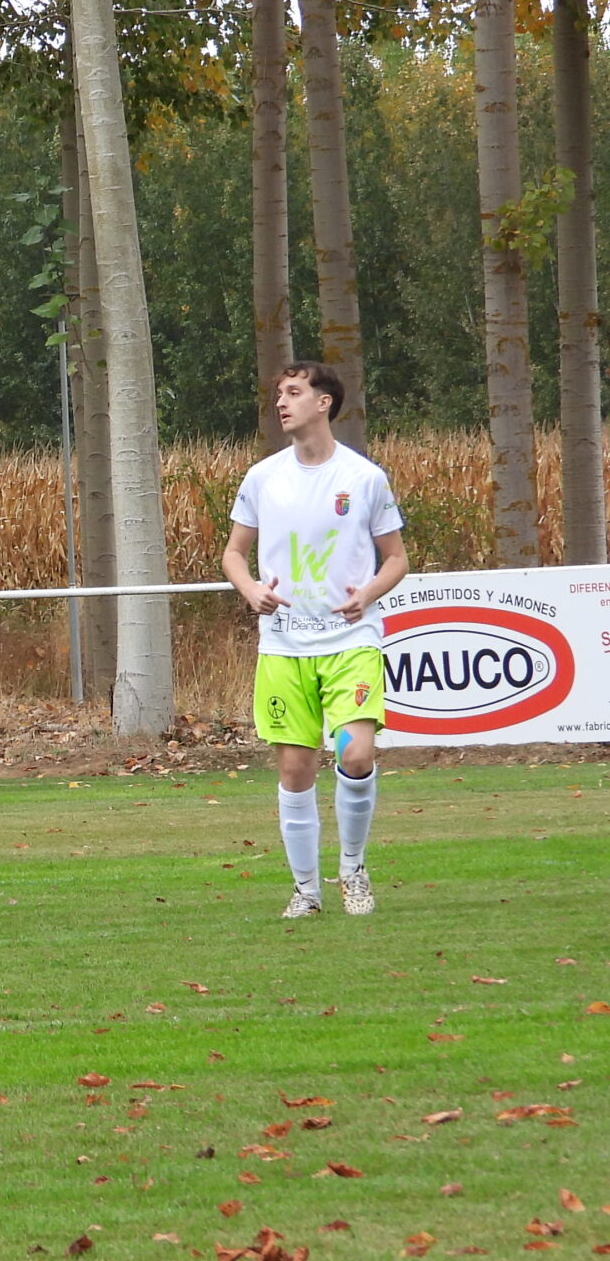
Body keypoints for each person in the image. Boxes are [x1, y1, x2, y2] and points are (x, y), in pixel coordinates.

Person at [220, 361, 407, 919]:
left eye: (294, 392)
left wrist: (367, 592)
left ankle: (352, 867)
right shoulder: (262, 477)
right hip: (284, 645)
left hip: (351, 640)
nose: (282, 402)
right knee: (295, 769)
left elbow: (396, 558)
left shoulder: (364, 477)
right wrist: (250, 588)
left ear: (324, 403)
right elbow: (233, 553)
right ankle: (306, 889)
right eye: (279, 393)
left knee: (356, 752)